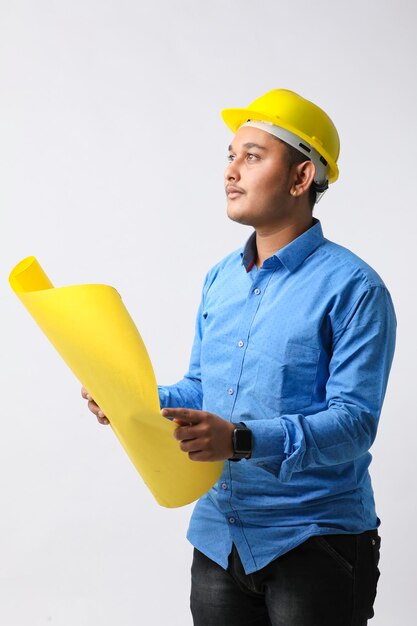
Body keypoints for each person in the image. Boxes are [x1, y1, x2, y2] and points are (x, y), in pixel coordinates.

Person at [82, 89, 396, 626]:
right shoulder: (220, 278)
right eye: (230, 156)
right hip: (218, 537)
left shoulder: (355, 288)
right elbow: (202, 387)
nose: (232, 172)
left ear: (300, 178)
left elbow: (354, 424)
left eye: (252, 156)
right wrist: (133, 401)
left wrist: (241, 440)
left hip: (314, 541)